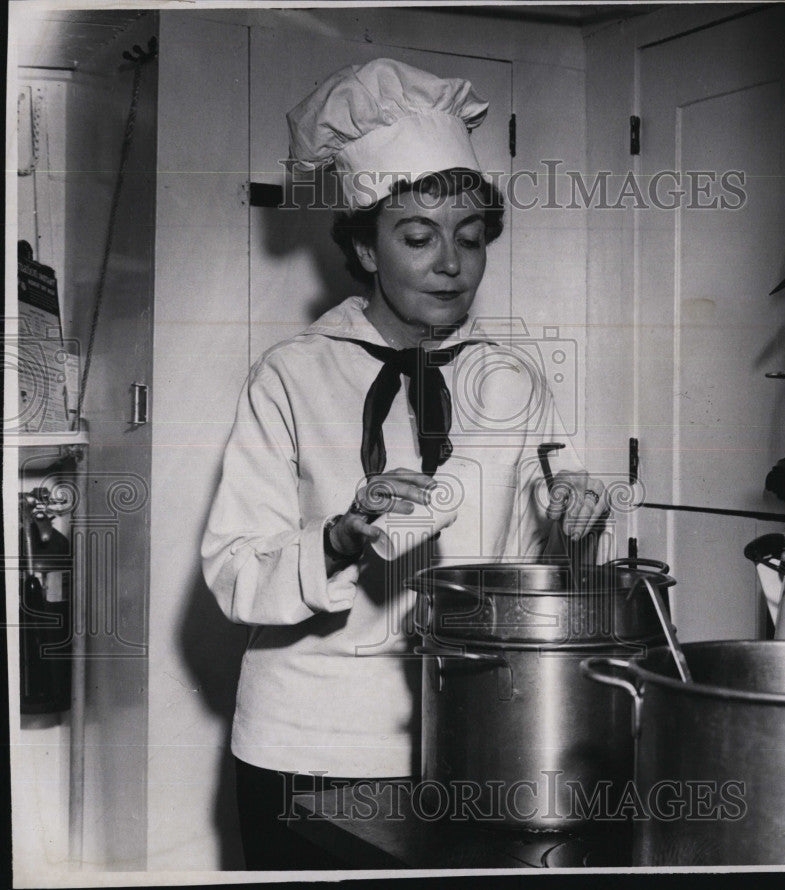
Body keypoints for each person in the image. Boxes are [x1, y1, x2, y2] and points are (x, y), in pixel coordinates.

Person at [201, 57, 607, 870]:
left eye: (469, 238)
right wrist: (344, 534)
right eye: (417, 238)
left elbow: (528, 579)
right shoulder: (292, 373)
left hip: (476, 741)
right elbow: (233, 570)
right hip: (306, 746)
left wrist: (576, 526)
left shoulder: (514, 378)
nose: (449, 264)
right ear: (363, 246)